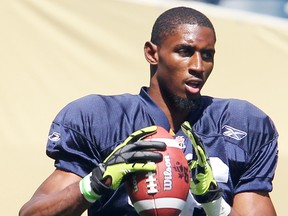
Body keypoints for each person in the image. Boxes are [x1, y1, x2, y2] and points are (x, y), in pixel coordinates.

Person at [19, 6, 278, 216]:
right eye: (185, 52)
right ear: (152, 53)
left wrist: (214, 204)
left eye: (207, 55)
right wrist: (97, 181)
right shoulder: (100, 117)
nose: (198, 66)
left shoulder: (242, 123)